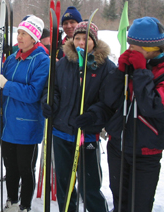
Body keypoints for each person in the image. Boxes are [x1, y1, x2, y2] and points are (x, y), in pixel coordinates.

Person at [88, 17, 164, 212]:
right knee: (120, 201)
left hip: (145, 152)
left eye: (134, 46)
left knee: (138, 205)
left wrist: (140, 71)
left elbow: (154, 108)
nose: (130, 50)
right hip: (118, 146)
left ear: (151, 48)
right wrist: (120, 72)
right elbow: (110, 99)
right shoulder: (131, 66)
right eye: (129, 44)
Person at [41, 22, 114, 212]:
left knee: (89, 186)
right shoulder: (64, 63)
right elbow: (52, 89)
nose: (81, 42)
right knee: (65, 186)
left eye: (86, 39)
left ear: (94, 41)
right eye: (78, 38)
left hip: (87, 134)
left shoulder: (105, 66)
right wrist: (50, 103)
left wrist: (93, 115)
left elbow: (109, 102)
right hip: (61, 132)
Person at [0, 15, 49, 212]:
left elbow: (34, 93)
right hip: (7, 124)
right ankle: (12, 201)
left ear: (34, 38)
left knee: (25, 169)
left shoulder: (42, 61)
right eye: (19, 32)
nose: (20, 37)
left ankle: (24, 205)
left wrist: (6, 84)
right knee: (11, 168)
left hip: (26, 125)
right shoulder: (13, 59)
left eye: (24, 33)